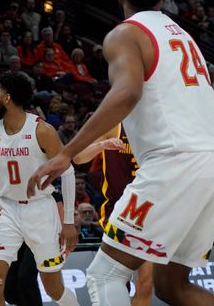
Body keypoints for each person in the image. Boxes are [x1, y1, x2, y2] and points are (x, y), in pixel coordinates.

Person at [27, 0, 214, 306]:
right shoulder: (184, 36)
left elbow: (127, 93)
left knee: (105, 273)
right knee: (174, 287)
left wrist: (66, 153)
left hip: (176, 163)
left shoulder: (125, 34)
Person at [0, 73, 80, 306]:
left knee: (54, 289)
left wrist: (68, 221)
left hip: (40, 211)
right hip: (5, 210)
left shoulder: (42, 131)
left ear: (7, 98)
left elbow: (69, 172)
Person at [73, 125, 153, 306]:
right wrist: (102, 145)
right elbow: (79, 157)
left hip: (152, 208)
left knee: (146, 284)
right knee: (117, 280)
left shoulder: (159, 125)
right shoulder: (114, 125)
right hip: (120, 210)